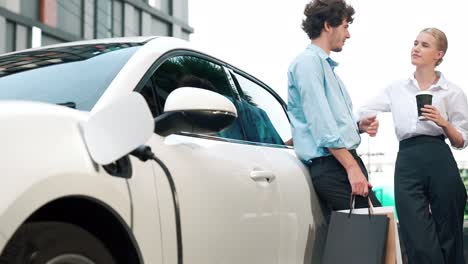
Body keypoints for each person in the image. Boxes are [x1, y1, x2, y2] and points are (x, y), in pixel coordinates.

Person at [359, 28, 468, 263]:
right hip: (407, 159)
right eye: (415, 43)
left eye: (425, 45)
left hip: (439, 155)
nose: (416, 48)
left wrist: (443, 122)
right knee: (416, 235)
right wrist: (364, 124)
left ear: (439, 54)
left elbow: (461, 140)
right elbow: (363, 111)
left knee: (450, 235)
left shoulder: (453, 91)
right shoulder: (396, 88)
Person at [287, 0, 381, 215]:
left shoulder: (324, 67)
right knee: (376, 234)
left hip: (338, 161)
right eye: (346, 26)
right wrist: (351, 167)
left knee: (368, 238)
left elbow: (327, 118)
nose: (348, 35)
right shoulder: (308, 63)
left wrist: (357, 126)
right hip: (333, 164)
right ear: (329, 25)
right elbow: (321, 123)